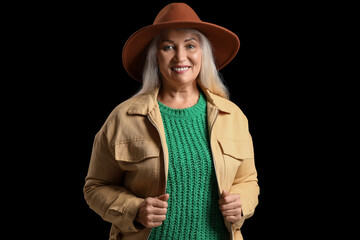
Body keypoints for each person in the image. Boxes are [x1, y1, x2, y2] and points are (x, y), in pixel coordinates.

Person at [83, 2, 259, 240]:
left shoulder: (233, 116)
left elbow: (248, 180)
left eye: (190, 45)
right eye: (168, 47)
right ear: (155, 56)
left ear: (202, 53)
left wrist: (241, 205)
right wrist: (135, 209)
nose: (180, 56)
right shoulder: (123, 118)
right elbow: (95, 187)